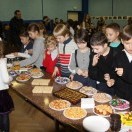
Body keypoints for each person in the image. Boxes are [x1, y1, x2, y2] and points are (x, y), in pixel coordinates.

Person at [113, 25, 132, 100]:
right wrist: (112, 79)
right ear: (122, 41)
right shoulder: (119, 56)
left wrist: (125, 73)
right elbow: (114, 73)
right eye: (127, 43)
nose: (131, 47)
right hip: (121, 94)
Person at [0, 39, 14, 132]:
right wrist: (11, 78)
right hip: (1, 93)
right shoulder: (1, 61)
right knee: (4, 114)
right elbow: (5, 79)